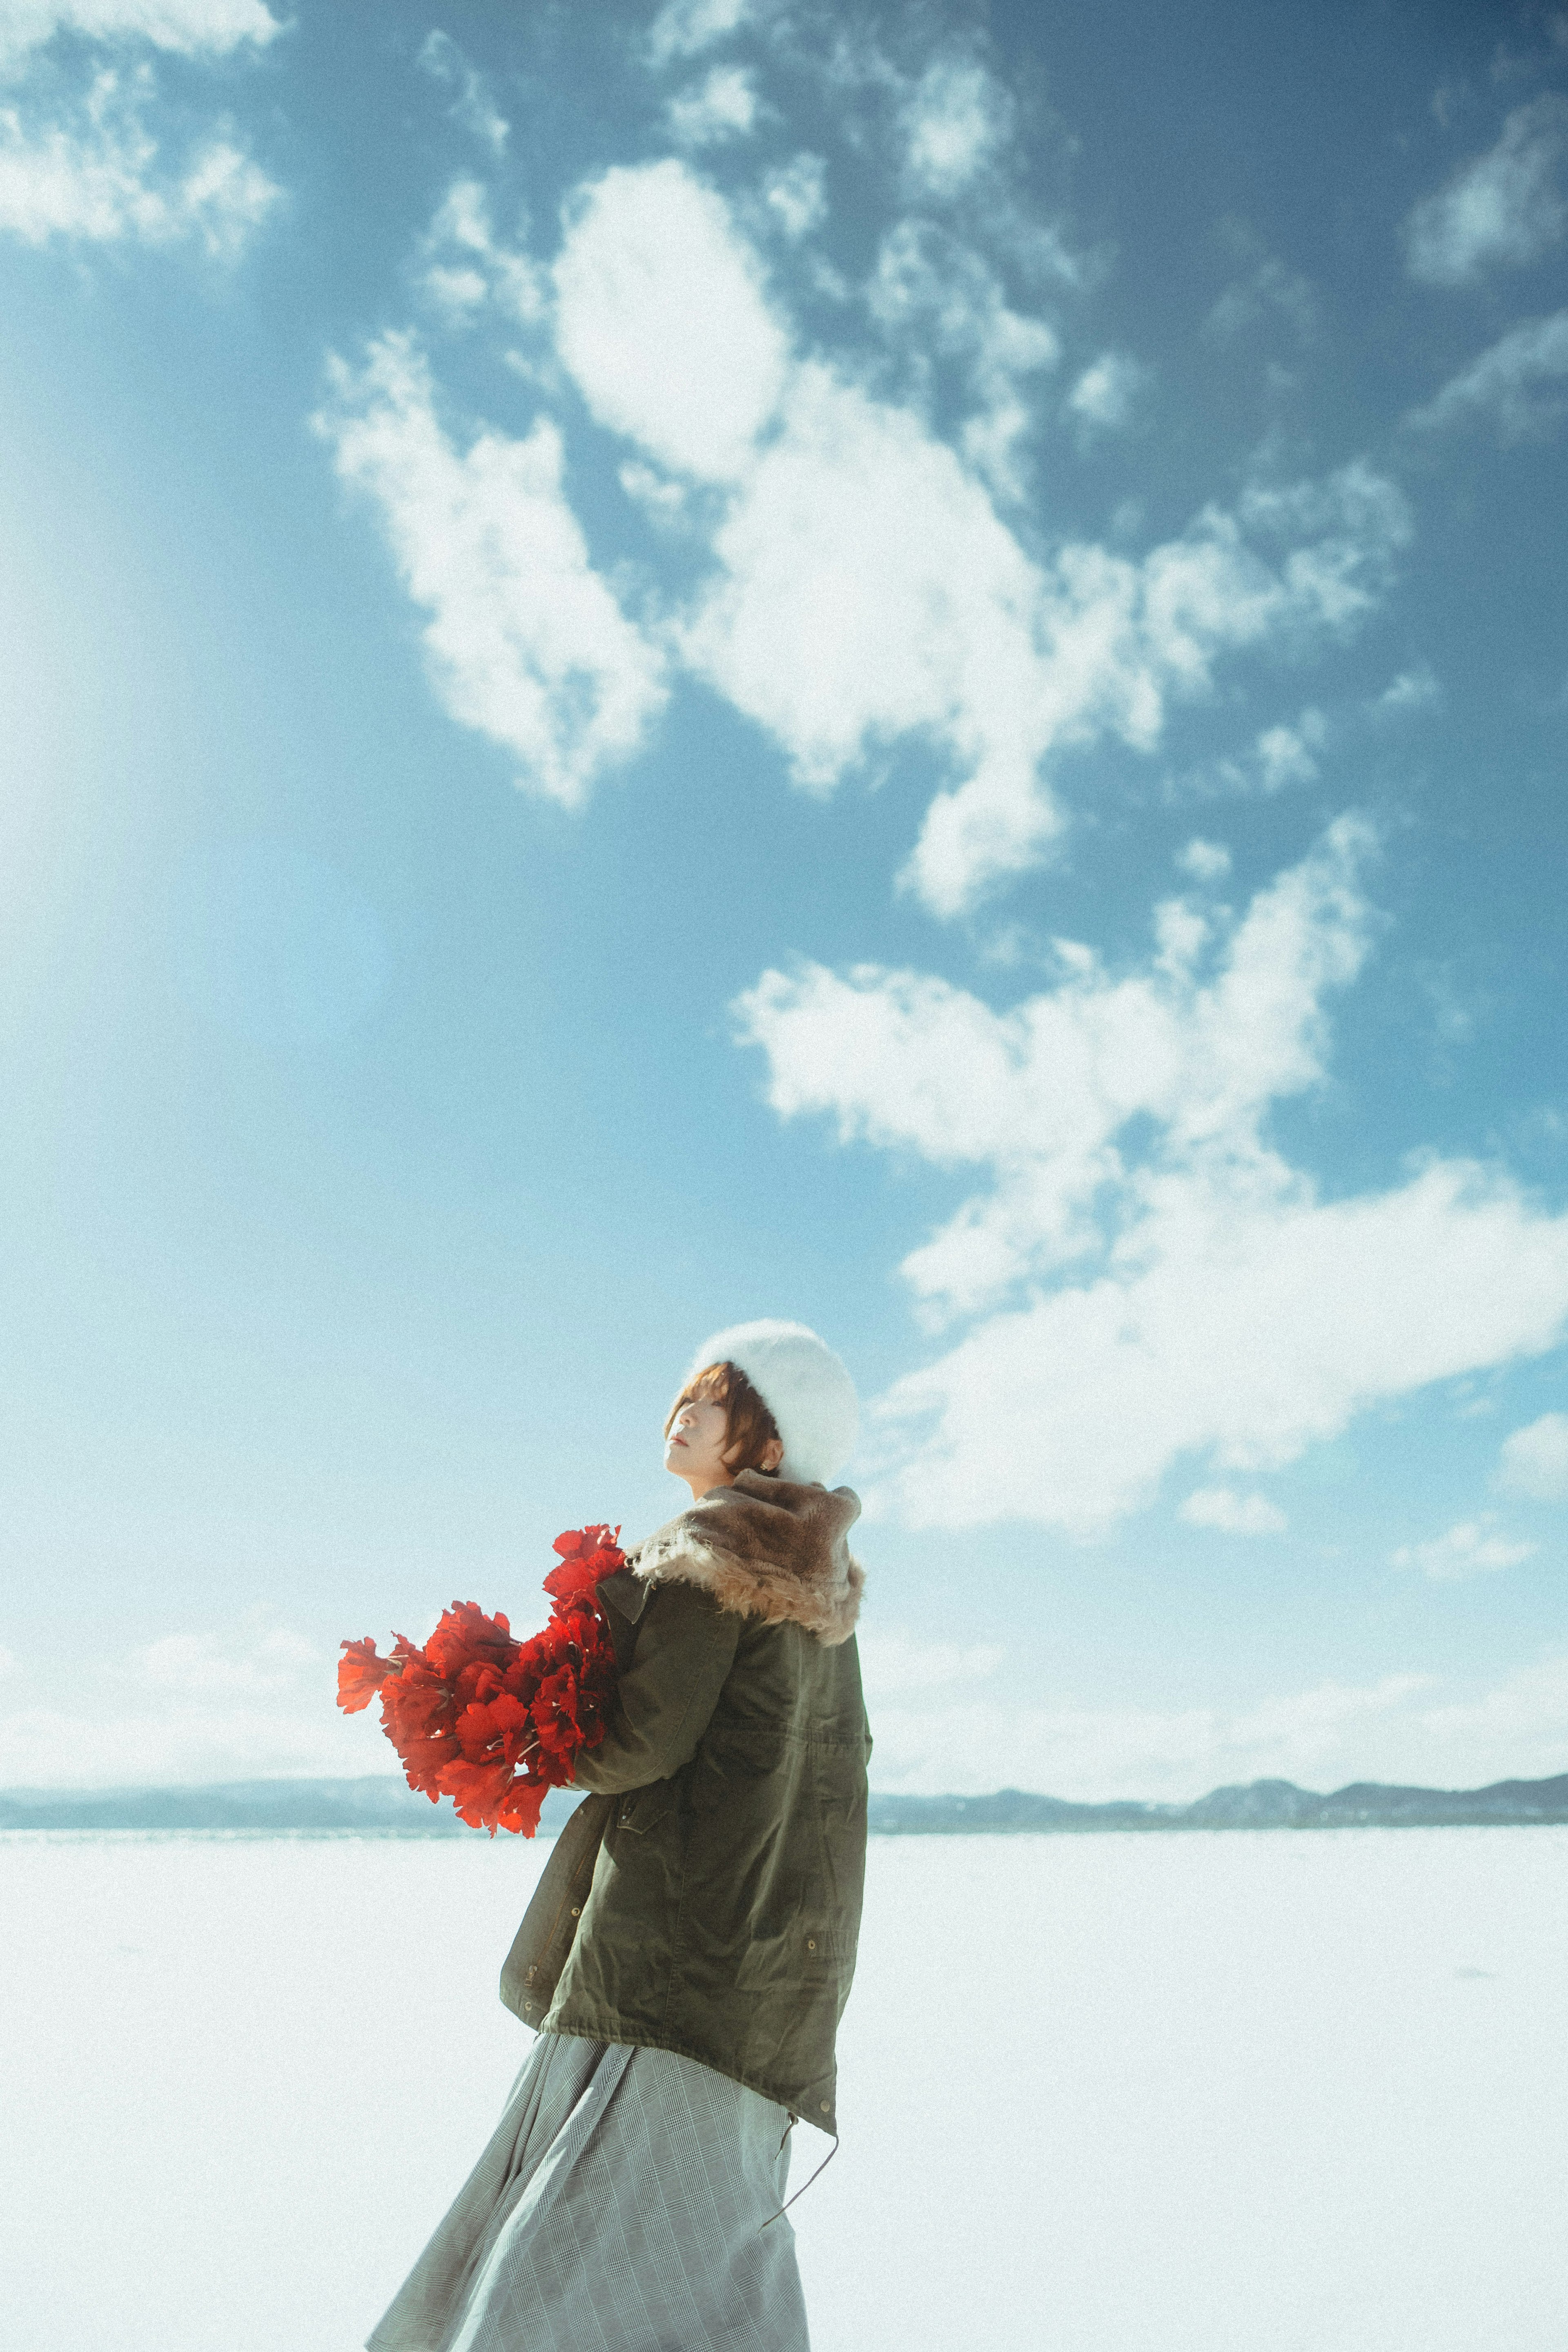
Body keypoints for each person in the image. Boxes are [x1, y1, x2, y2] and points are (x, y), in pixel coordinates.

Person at [368, 1319, 872, 2352]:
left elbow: (646, 1741)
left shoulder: (710, 1555)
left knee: (571, 2240)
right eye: (686, 1394)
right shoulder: (822, 1598)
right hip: (772, 1968)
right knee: (718, 2237)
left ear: (767, 1449)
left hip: (666, 1955)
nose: (685, 1412)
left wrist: (523, 1736)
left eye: (717, 1401)